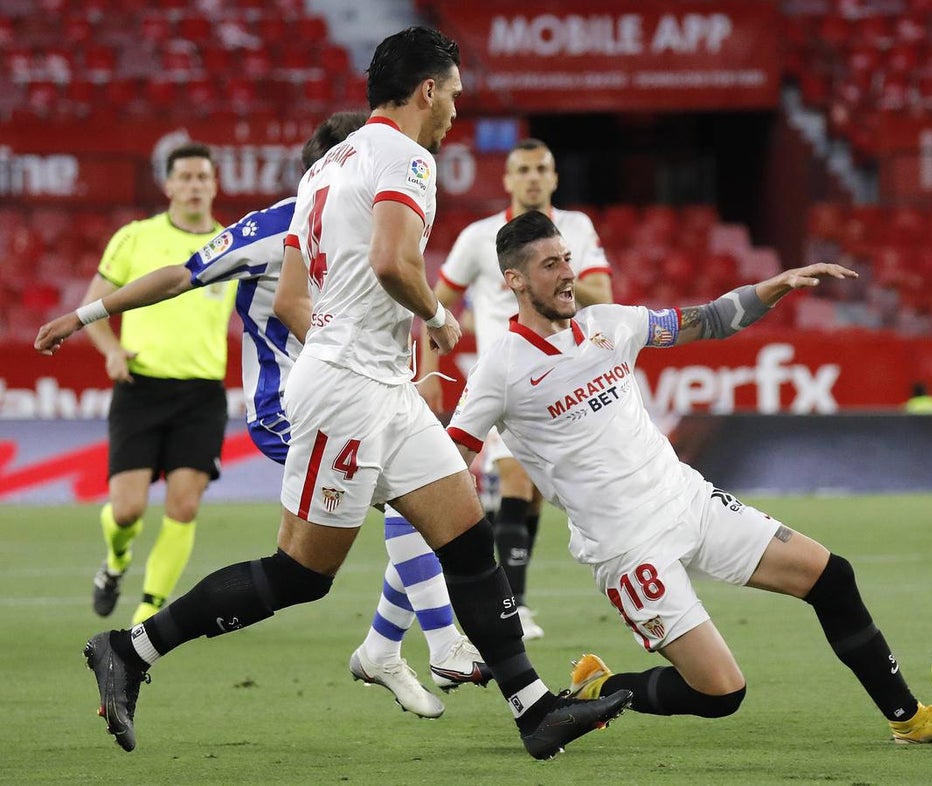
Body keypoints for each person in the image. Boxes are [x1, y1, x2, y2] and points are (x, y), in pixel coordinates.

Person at [73, 27, 630, 759]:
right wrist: (434, 315)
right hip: (347, 392)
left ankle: (533, 708)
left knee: (466, 538)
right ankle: (131, 647)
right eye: (454, 96)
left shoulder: (325, 168)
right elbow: (394, 261)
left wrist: (366, 342)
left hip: (374, 383)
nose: (457, 112)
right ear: (427, 90)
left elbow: (297, 290)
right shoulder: (407, 159)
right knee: (300, 574)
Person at [445, 211, 932, 744]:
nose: (568, 272)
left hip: (689, 499)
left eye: (568, 258)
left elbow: (707, 320)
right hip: (628, 549)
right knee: (720, 693)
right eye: (550, 265)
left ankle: (909, 718)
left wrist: (776, 285)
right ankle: (606, 687)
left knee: (832, 577)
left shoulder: (610, 324)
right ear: (513, 280)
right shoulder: (502, 368)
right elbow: (451, 458)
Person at [34, 112, 489, 720]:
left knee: (414, 505)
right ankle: (432, 643)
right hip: (291, 408)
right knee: (407, 503)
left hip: (359, 399)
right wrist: (86, 317)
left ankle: (390, 647)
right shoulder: (279, 227)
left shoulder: (384, 223)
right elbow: (181, 275)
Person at [421, 138, 613, 639]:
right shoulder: (479, 236)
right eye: (522, 169)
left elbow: (605, 296)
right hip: (510, 376)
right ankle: (515, 607)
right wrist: (430, 371)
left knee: (532, 496)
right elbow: (437, 304)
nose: (532, 177)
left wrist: (554, 267)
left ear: (553, 178)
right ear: (507, 179)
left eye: (541, 169)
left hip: (568, 377)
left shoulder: (577, 229)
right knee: (518, 481)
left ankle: (497, 560)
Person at [71, 142, 232, 626]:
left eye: (203, 177)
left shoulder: (231, 245)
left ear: (214, 184)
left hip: (202, 394)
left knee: (183, 507)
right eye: (184, 177)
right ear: (167, 185)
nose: (194, 186)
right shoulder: (135, 238)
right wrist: (112, 351)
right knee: (126, 511)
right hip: (140, 390)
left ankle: (145, 615)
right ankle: (116, 562)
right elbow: (92, 307)